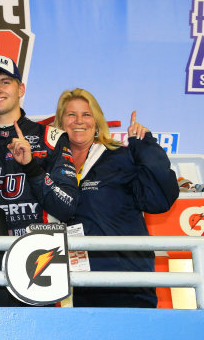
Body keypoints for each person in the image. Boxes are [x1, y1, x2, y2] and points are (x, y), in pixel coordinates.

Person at [53, 88, 178, 308]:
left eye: (86, 114)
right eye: (71, 114)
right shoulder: (56, 164)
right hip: (85, 283)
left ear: (97, 121)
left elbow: (159, 198)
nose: (79, 121)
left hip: (130, 281)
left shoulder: (120, 156)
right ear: (61, 122)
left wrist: (145, 144)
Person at [0, 55, 78, 236]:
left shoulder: (52, 138)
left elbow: (67, 208)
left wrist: (31, 167)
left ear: (21, 89)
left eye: (5, 82)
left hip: (43, 250)